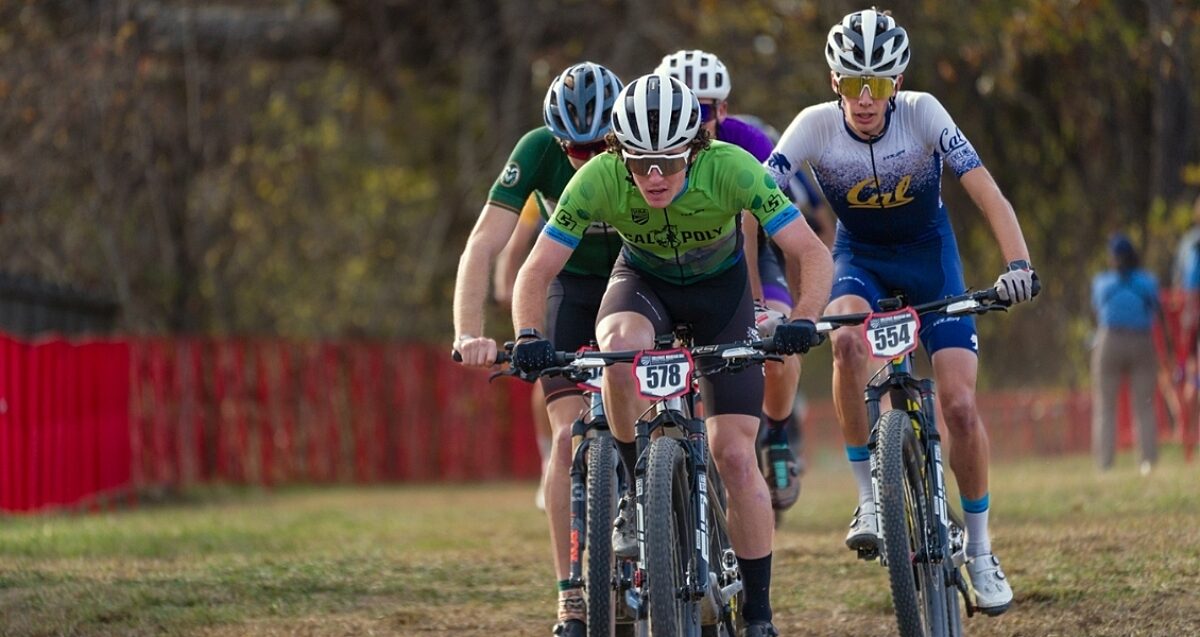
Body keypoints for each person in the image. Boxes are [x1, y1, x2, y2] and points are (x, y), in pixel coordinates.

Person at [510, 74, 833, 637]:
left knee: (734, 456)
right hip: (643, 284)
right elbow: (536, 270)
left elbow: (809, 250)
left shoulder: (732, 167)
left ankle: (758, 614)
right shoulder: (597, 177)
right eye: (639, 164)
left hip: (721, 296)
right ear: (619, 154)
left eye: (668, 161)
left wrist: (803, 317)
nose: (654, 177)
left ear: (694, 148)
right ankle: (638, 492)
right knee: (616, 346)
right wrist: (528, 334)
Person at [765, 8, 1038, 616]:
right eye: (854, 83)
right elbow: (758, 201)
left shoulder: (924, 114)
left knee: (961, 406)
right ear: (833, 80)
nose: (867, 99)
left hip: (929, 259)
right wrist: (758, 294)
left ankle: (982, 548)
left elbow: (986, 190)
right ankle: (868, 495)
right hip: (860, 257)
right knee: (845, 342)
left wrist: (1017, 265)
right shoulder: (812, 127)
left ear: (899, 81)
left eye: (881, 84)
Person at [451, 62, 624, 637]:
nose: (583, 157)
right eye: (571, 147)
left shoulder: (643, 142)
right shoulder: (536, 150)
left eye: (598, 145)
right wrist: (467, 332)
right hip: (570, 290)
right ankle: (569, 591)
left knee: (668, 406)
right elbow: (483, 242)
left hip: (639, 281)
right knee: (568, 438)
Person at [654, 49, 832, 513]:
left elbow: (768, 229)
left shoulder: (749, 143)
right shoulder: (650, 145)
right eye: (679, 110)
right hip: (676, 263)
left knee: (773, 334)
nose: (692, 123)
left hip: (752, 253)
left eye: (703, 111)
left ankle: (776, 433)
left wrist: (778, 305)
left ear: (723, 111)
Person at [494, 194, 555, 510]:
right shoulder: (540, 193)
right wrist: (507, 287)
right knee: (548, 367)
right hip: (553, 275)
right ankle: (549, 458)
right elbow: (516, 242)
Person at [1090, 234, 1161, 474]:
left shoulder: (1102, 282)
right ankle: (1147, 461)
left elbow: (1097, 309)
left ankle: (1105, 463)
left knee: (1106, 405)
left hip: (1110, 340)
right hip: (1141, 340)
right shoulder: (1147, 281)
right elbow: (1155, 309)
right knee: (1145, 404)